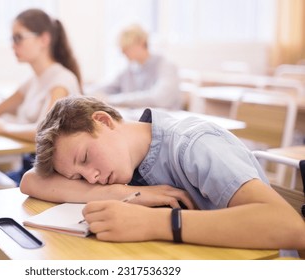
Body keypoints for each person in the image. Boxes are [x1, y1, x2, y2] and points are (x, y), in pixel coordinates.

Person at [20, 96, 305, 252]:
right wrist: (119, 193)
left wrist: (156, 223)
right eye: (78, 178)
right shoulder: (123, 165)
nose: (90, 178)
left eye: (84, 158)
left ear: (104, 121)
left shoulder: (194, 145)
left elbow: (292, 228)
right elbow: (30, 181)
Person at [0, 8, 82, 184]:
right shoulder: (34, 80)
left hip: (50, 180)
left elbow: (43, 132)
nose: (13, 45)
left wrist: (4, 128)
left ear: (44, 39)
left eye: (18, 38)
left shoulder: (61, 81)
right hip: (30, 170)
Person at [90, 24, 183, 110]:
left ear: (141, 42)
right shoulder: (129, 70)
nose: (123, 51)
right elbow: (104, 88)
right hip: (139, 122)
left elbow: (159, 99)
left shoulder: (166, 66)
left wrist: (111, 100)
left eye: (127, 47)